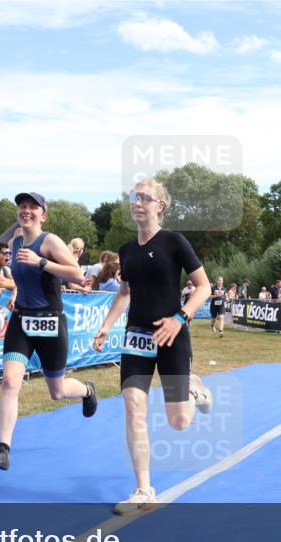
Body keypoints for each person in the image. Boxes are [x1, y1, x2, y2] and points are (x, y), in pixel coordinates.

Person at [93, 179, 212, 515]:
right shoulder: (126, 250)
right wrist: (105, 326)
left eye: (145, 197)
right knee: (133, 407)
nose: (137, 202)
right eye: (134, 197)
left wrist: (181, 316)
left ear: (160, 205)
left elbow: (203, 287)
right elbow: (124, 292)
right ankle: (144, 489)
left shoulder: (174, 242)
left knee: (179, 422)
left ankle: (194, 385)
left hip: (173, 334)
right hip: (137, 338)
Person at [0, 192, 98, 471]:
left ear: (43, 215)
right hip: (21, 319)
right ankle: (3, 450)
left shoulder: (51, 241)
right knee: (10, 381)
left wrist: (41, 262)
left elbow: (78, 276)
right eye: (23, 206)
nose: (27, 211)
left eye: (33, 207)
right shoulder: (14, 242)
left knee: (56, 391)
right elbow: (22, 276)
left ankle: (86, 390)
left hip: (50, 321)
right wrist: (17, 291)